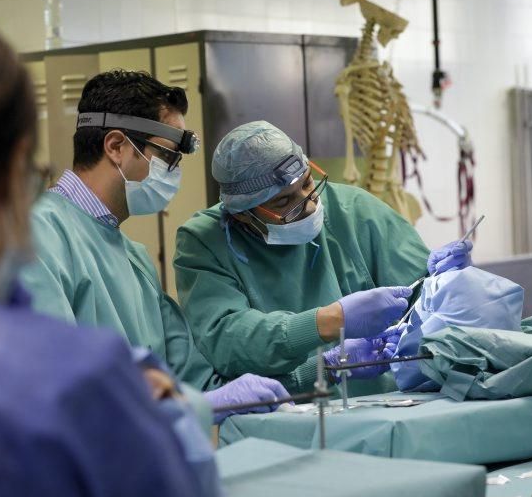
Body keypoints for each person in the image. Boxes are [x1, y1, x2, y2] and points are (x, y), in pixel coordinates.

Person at [0, 9, 219, 497]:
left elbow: (183, 366)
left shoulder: (129, 254)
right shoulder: (69, 378)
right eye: (168, 157)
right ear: (9, 177)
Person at [20, 70, 288, 419]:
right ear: (116, 146)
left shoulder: (134, 258)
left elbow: (192, 376)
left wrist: (317, 367)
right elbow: (59, 381)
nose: (174, 171)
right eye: (168, 157)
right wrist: (194, 405)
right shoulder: (38, 236)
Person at [174, 121, 473, 395]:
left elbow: (434, 312)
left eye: (307, 183)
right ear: (242, 213)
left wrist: (446, 282)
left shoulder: (354, 210)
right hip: (283, 414)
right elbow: (230, 342)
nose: (307, 206)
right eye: (283, 202)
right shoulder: (204, 241)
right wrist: (329, 322)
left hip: (383, 403)